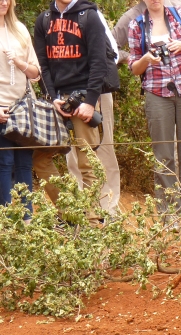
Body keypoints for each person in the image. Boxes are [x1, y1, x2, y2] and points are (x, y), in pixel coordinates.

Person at [128, 0, 181, 214]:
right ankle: (168, 214)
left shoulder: (180, 16)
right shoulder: (137, 24)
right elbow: (134, 68)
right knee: (163, 156)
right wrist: (146, 59)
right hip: (157, 93)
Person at [32, 0, 109, 204]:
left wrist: (90, 102)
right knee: (40, 160)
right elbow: (42, 65)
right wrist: (52, 98)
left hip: (82, 99)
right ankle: (68, 212)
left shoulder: (89, 16)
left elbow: (99, 62)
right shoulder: (43, 20)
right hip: (55, 101)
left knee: (88, 163)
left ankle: (92, 219)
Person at [65, 8, 119, 214]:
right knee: (72, 154)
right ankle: (82, 209)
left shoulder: (91, 14)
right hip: (67, 93)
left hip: (97, 93)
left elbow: (111, 54)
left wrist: (92, 88)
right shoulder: (52, 18)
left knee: (103, 149)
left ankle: (109, 209)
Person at [0, 0, 41, 213]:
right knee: (4, 163)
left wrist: (18, 61)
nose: (4, 2)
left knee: (25, 164)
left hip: (24, 109)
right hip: (2, 108)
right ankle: (6, 221)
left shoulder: (20, 29)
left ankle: (27, 220)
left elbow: (35, 73)